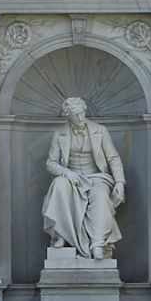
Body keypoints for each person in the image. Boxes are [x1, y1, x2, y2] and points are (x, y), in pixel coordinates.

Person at [42, 97, 125, 259]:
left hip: (97, 177)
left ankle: (97, 244)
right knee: (59, 185)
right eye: (75, 115)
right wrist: (67, 173)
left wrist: (120, 182)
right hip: (71, 178)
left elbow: (113, 158)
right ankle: (60, 234)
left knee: (101, 197)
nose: (80, 118)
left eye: (81, 114)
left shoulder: (100, 130)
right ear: (68, 116)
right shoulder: (60, 134)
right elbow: (50, 163)